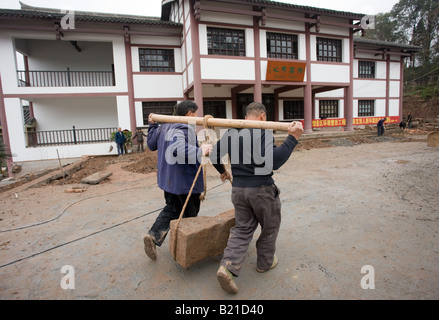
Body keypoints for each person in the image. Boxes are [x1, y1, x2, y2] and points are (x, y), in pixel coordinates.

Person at [210, 102, 304, 294]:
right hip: (261, 190)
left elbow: (213, 155)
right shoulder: (263, 132)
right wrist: (293, 138)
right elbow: (274, 162)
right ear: (262, 116)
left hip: (238, 190)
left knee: (242, 228)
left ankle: (227, 267)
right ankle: (265, 263)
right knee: (270, 227)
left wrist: (223, 170)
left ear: (246, 117)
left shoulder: (233, 132)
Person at [143, 101, 213, 261]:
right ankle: (186, 249)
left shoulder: (164, 127)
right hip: (184, 181)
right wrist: (199, 150)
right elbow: (177, 149)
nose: (196, 118)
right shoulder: (183, 127)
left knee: (172, 208)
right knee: (189, 215)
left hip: (168, 180)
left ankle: (154, 236)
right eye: (195, 114)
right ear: (189, 114)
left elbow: (151, 144)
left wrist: (152, 125)